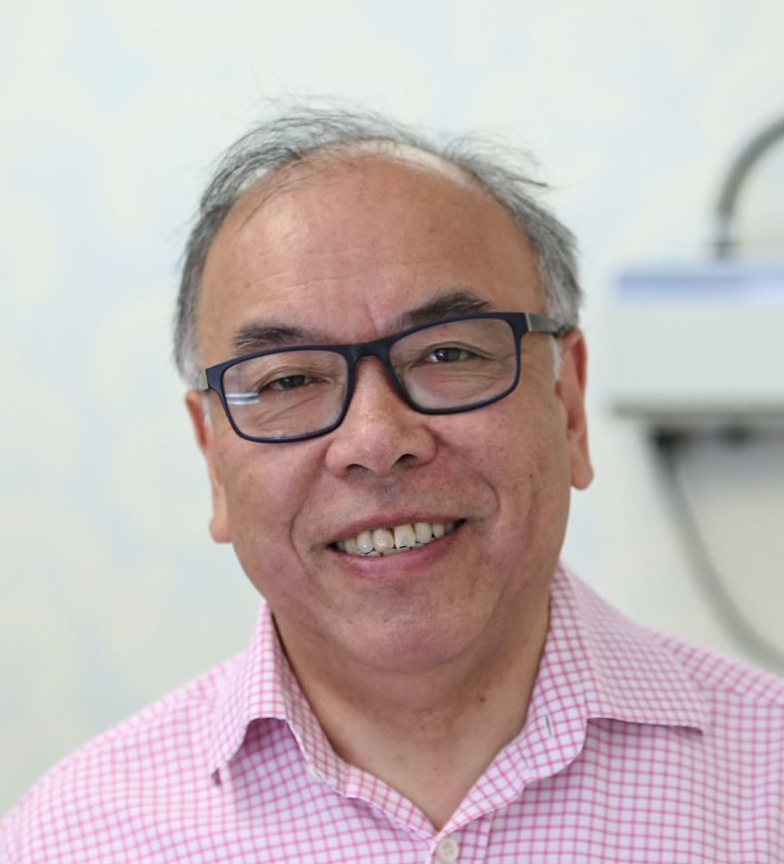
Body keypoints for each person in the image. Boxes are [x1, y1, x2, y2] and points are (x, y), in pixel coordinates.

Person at [2, 106, 783, 863]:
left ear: (568, 404)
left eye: (447, 354)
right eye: (288, 380)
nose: (376, 442)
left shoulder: (767, 782)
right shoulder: (68, 841)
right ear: (212, 457)